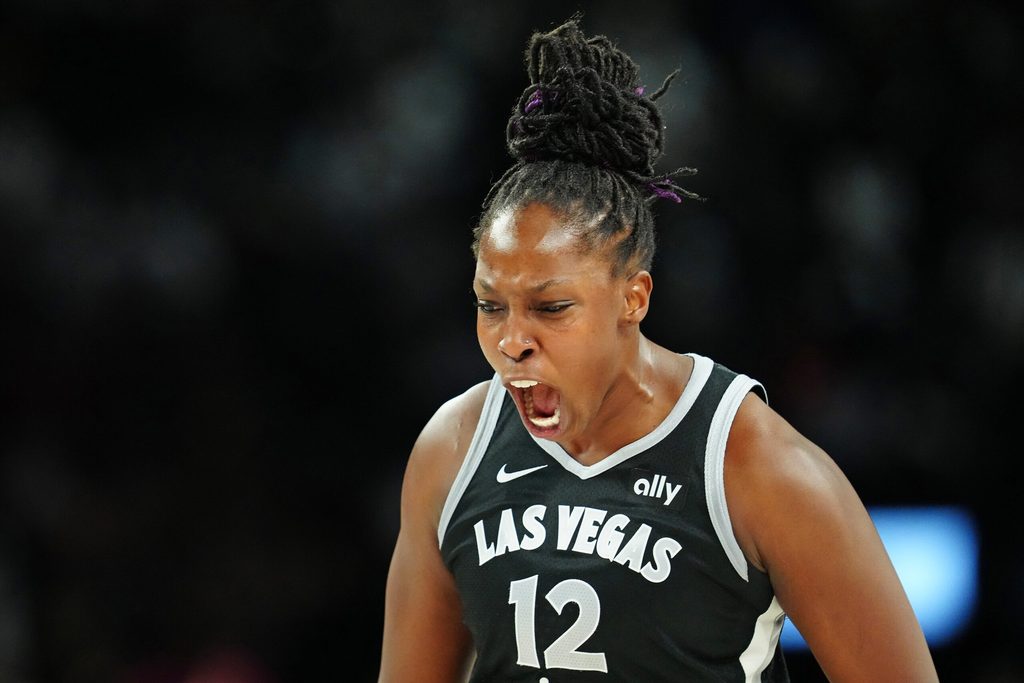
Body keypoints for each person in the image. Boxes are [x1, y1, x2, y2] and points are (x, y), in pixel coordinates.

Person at [378, 18, 938, 683]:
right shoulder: (453, 449)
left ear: (632, 299)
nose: (512, 340)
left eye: (551, 307)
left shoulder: (755, 464)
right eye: (490, 304)